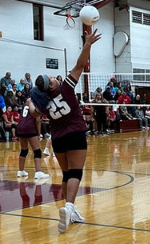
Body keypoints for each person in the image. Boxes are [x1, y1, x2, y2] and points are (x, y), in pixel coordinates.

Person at [30, 24, 101, 233]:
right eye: (51, 77)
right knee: (76, 173)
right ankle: (69, 207)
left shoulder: (42, 103)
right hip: (76, 134)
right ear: (51, 84)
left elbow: (34, 112)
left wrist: (32, 98)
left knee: (66, 174)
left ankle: (71, 209)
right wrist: (87, 45)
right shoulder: (65, 87)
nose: (54, 77)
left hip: (58, 139)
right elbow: (80, 65)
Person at [14, 99, 49, 180]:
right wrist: (39, 133)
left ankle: (21, 171)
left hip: (20, 126)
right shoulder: (36, 104)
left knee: (24, 150)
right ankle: (38, 172)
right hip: (29, 127)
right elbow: (37, 121)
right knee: (37, 151)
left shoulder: (25, 103)